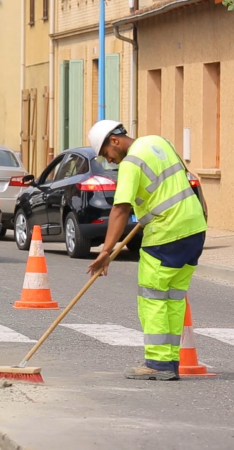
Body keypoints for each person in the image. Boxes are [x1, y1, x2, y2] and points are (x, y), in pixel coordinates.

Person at [86, 120, 207, 381]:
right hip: (195, 229)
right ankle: (170, 360)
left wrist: (106, 250)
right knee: (174, 298)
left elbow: (120, 208)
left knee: (152, 298)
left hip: (166, 234)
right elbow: (183, 181)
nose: (109, 160)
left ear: (114, 141)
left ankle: (158, 363)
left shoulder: (131, 163)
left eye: (107, 153)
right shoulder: (159, 141)